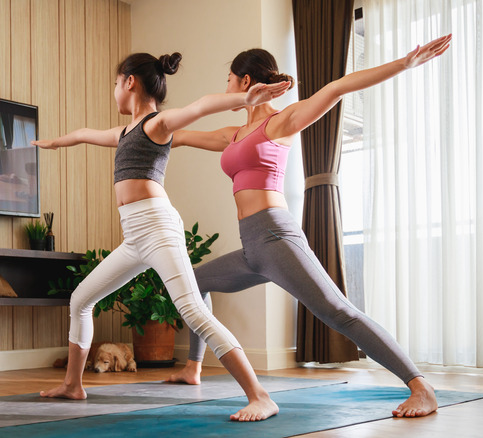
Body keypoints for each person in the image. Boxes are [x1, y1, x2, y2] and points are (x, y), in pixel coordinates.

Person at [165, 34, 452, 419]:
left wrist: (404, 63)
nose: (227, 88)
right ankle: (193, 368)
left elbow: (336, 88)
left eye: (229, 80)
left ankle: (421, 387)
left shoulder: (281, 122)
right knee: (195, 282)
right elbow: (174, 135)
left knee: (338, 311)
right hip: (252, 247)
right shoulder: (233, 135)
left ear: (245, 82)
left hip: (275, 236)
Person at [32, 52, 291, 422]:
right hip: (134, 235)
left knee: (193, 311)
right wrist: (55, 143)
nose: (114, 92)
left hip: (158, 228)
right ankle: (73, 385)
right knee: (81, 299)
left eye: (115, 84)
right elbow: (86, 135)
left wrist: (247, 99)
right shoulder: (124, 132)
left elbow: (201, 106)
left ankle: (260, 396)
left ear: (129, 82)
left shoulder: (158, 123)